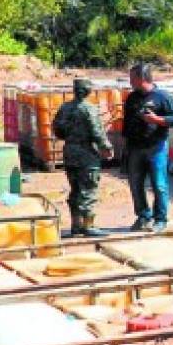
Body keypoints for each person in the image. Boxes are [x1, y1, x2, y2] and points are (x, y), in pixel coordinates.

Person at [122, 62, 173, 232]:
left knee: (159, 185)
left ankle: (160, 219)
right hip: (135, 148)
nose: (130, 81)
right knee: (135, 184)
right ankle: (143, 216)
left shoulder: (162, 97)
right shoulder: (132, 98)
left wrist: (158, 120)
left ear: (141, 78)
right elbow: (127, 123)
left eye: (132, 78)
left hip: (156, 147)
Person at [53, 78, 114, 237]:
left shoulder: (64, 108)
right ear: (88, 91)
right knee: (88, 188)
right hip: (86, 153)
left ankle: (76, 225)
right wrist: (106, 147)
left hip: (69, 151)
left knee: (75, 189)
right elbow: (97, 132)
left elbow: (57, 130)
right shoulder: (89, 109)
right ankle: (88, 225)